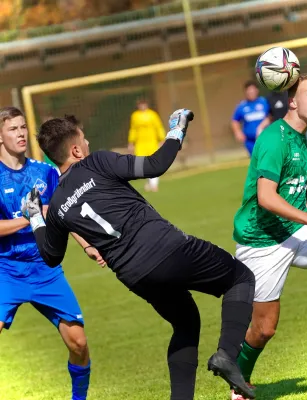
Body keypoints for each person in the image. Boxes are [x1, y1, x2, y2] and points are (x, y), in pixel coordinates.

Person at [22, 110, 256, 400]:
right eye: (84, 139)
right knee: (240, 278)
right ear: (75, 149)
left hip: (135, 275)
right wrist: (177, 130)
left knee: (185, 323)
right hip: (167, 248)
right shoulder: (97, 161)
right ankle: (228, 355)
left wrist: (34, 217)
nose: (89, 142)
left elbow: (51, 256)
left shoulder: (56, 205)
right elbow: (156, 164)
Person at [231, 73, 307, 400]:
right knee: (264, 329)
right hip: (261, 243)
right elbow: (267, 198)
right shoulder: (275, 139)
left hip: (289, 229)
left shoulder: (300, 139)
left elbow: (293, 198)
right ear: (292, 101)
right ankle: (238, 379)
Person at [0, 106, 104, 400]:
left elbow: (65, 213)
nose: (20, 134)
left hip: (45, 269)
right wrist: (31, 217)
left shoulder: (45, 172)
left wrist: (87, 244)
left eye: (22, 128)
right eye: (12, 129)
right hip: (6, 270)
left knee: (79, 344)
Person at [257, 90, 307, 203]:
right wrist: (261, 128)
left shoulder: (292, 94)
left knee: (302, 169)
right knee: (284, 171)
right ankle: (286, 201)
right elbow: (269, 116)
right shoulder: (269, 98)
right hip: (280, 140)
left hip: (297, 137)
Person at [127, 99, 166, 192]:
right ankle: (150, 182)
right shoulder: (135, 116)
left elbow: (158, 127)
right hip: (140, 143)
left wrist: (162, 139)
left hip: (152, 142)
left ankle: (154, 185)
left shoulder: (152, 115)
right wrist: (131, 142)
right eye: (140, 105)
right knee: (143, 164)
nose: (142, 106)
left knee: (154, 162)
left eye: (143, 104)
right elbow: (133, 130)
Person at [231, 80, 270, 156]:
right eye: (248, 90)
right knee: (256, 162)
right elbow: (235, 120)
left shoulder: (264, 102)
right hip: (250, 141)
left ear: (257, 90)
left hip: (265, 138)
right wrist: (237, 132)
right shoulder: (242, 106)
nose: (250, 92)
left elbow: (271, 116)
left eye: (252, 90)